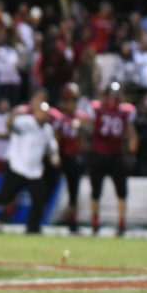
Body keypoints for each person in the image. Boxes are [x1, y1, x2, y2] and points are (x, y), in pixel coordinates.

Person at [0, 89, 60, 234]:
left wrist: (54, 157)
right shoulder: (25, 122)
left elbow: (52, 148)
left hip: (35, 171)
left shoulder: (47, 129)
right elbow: (10, 126)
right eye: (41, 112)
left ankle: (33, 228)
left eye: (46, 113)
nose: (44, 115)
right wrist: (14, 114)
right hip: (17, 167)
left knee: (39, 199)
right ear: (36, 112)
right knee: (5, 197)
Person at [88, 81, 138, 236]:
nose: (113, 99)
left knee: (121, 191)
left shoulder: (124, 111)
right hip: (100, 154)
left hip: (115, 154)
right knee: (96, 191)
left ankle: (121, 223)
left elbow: (131, 133)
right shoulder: (97, 109)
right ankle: (95, 221)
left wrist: (132, 143)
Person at [50, 83, 88, 232]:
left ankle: (72, 222)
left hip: (75, 157)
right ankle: (41, 217)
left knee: (74, 192)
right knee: (50, 187)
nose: (70, 104)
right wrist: (56, 155)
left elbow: (84, 137)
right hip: (62, 157)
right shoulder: (60, 118)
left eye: (73, 101)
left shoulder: (81, 117)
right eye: (68, 101)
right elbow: (56, 138)